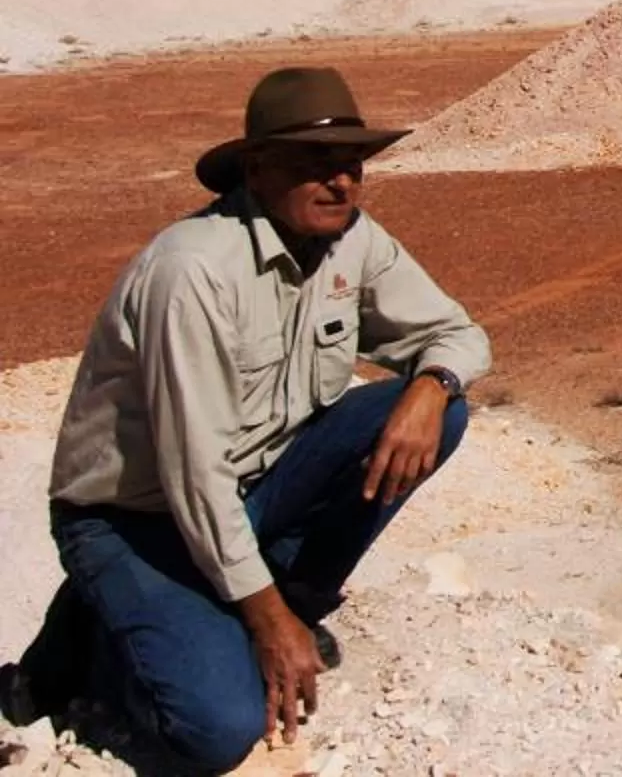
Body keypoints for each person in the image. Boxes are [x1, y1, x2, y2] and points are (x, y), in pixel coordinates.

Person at [1, 68, 488, 774]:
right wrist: (265, 625)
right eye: (314, 165)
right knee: (217, 730)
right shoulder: (192, 272)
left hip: (254, 490)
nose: (341, 183)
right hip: (137, 518)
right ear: (257, 169)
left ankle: (287, 600)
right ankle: (90, 667)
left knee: (433, 413)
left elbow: (461, 334)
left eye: (352, 165)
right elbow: (194, 477)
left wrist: (433, 383)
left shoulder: (354, 239)